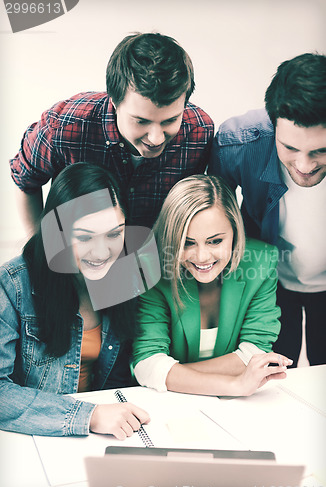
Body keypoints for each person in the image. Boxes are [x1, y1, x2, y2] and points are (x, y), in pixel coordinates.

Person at [10, 32, 214, 235]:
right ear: (114, 102)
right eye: (141, 121)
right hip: (75, 253)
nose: (156, 138)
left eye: (170, 120)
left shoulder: (200, 133)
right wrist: (37, 245)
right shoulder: (62, 126)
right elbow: (25, 182)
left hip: (154, 253)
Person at [0, 162, 150, 437]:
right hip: (35, 437)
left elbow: (118, 377)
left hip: (102, 434)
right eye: (84, 237)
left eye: (115, 234)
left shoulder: (127, 276)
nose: (103, 252)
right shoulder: (11, 284)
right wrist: (88, 416)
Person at [208, 53, 326, 367]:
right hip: (267, 281)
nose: (304, 166)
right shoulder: (238, 143)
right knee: (271, 375)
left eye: (320, 151)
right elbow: (212, 216)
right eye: (290, 148)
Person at [133, 175, 293, 397]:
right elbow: (146, 362)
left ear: (235, 232)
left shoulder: (262, 261)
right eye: (187, 243)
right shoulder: (151, 269)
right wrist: (235, 385)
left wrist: (168, 374)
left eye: (215, 241)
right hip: (168, 403)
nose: (202, 257)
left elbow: (255, 353)